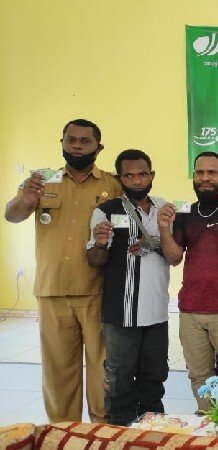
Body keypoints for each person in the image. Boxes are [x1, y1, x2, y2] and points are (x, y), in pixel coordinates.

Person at [4, 119, 121, 423]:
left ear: (99, 147)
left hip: (98, 291)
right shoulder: (41, 181)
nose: (77, 145)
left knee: (102, 371)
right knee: (58, 372)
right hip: (52, 289)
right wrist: (26, 199)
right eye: (71, 140)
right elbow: (12, 215)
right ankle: (63, 434)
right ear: (63, 143)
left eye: (85, 141)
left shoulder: (112, 185)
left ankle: (102, 434)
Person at [157, 151, 218, 412]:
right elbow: (174, 257)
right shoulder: (185, 213)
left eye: (212, 172)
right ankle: (208, 424)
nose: (205, 178)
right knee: (199, 375)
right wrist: (164, 228)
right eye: (200, 172)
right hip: (191, 311)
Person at [86, 149, 170, 425]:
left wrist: (157, 240)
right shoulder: (106, 211)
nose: (136, 180)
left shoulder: (165, 209)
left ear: (152, 175)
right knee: (120, 379)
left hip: (157, 312)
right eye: (129, 175)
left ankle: (155, 432)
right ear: (119, 178)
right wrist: (99, 243)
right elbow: (95, 259)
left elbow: (175, 254)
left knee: (154, 377)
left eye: (142, 174)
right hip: (121, 313)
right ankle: (120, 433)